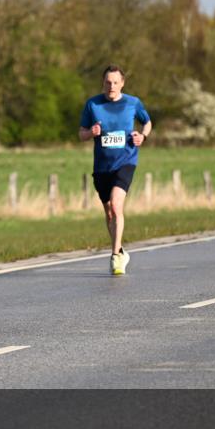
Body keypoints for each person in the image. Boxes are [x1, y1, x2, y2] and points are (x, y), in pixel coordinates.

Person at [78, 65, 152, 276]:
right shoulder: (93, 104)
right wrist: (91, 132)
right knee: (109, 211)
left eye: (115, 82)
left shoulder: (132, 103)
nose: (111, 86)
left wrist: (142, 136)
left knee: (117, 205)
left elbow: (147, 122)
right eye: (108, 82)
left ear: (122, 83)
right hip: (102, 167)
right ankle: (120, 249)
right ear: (103, 83)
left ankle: (115, 256)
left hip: (126, 161)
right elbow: (81, 133)